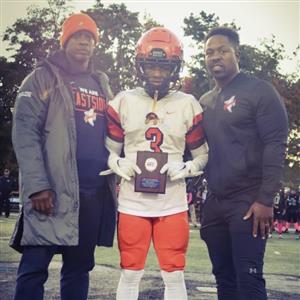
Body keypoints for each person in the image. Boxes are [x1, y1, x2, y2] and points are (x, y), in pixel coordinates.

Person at [10, 13, 116, 300]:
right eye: (77, 36)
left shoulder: (101, 83)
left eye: (90, 37)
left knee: (79, 269)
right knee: (34, 268)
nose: (84, 41)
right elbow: (24, 133)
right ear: (65, 40)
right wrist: (37, 185)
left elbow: (117, 131)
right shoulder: (42, 78)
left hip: (93, 192)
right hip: (52, 191)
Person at [104, 27, 208, 300]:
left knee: (174, 274)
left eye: (164, 67)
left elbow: (202, 155)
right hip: (132, 202)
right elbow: (109, 151)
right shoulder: (123, 101)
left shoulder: (188, 103)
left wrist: (188, 168)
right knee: (129, 272)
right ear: (141, 65)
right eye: (152, 66)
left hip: (172, 203)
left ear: (175, 68)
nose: (158, 74)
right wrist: (117, 163)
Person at [199, 27, 288, 300]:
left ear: (237, 53)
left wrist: (265, 200)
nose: (216, 57)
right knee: (223, 279)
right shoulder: (205, 101)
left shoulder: (259, 90)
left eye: (223, 50)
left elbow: (276, 144)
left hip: (249, 202)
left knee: (248, 279)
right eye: (209, 52)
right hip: (214, 202)